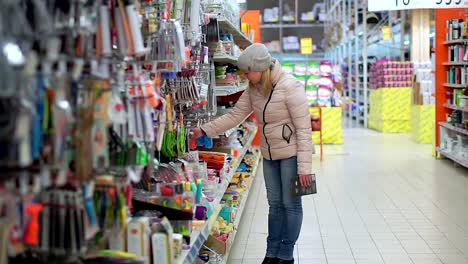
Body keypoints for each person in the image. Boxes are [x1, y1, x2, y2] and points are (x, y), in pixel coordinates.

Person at [191, 43, 314, 264]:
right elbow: (235, 115)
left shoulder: (290, 86)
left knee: (291, 204)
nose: (245, 75)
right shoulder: (253, 89)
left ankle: (286, 255)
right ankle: (271, 253)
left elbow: (304, 130)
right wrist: (204, 129)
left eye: (248, 71)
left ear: (260, 68)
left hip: (292, 155)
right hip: (269, 155)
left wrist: (305, 168)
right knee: (275, 205)